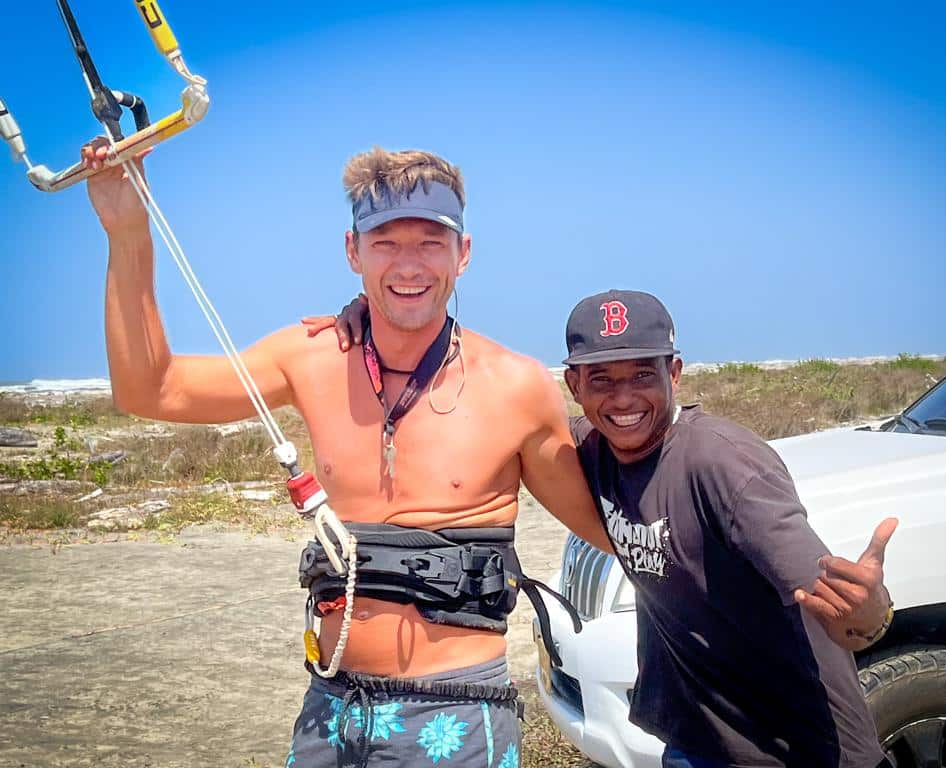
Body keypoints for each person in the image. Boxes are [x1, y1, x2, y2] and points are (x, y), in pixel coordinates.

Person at [80, 141, 612, 767]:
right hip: (329, 711)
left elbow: (609, 531)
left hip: (457, 714)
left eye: (430, 242)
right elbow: (152, 389)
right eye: (385, 242)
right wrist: (127, 230)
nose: (408, 265)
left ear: (462, 255)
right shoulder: (310, 358)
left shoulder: (517, 386)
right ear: (352, 251)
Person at [322, 289, 897, 767]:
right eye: (602, 380)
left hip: (798, 751)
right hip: (696, 741)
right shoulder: (588, 451)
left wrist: (869, 614)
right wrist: (384, 326)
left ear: (675, 371)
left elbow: (834, 609)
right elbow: (486, 401)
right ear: (574, 385)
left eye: (642, 375)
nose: (624, 399)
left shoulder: (723, 465)